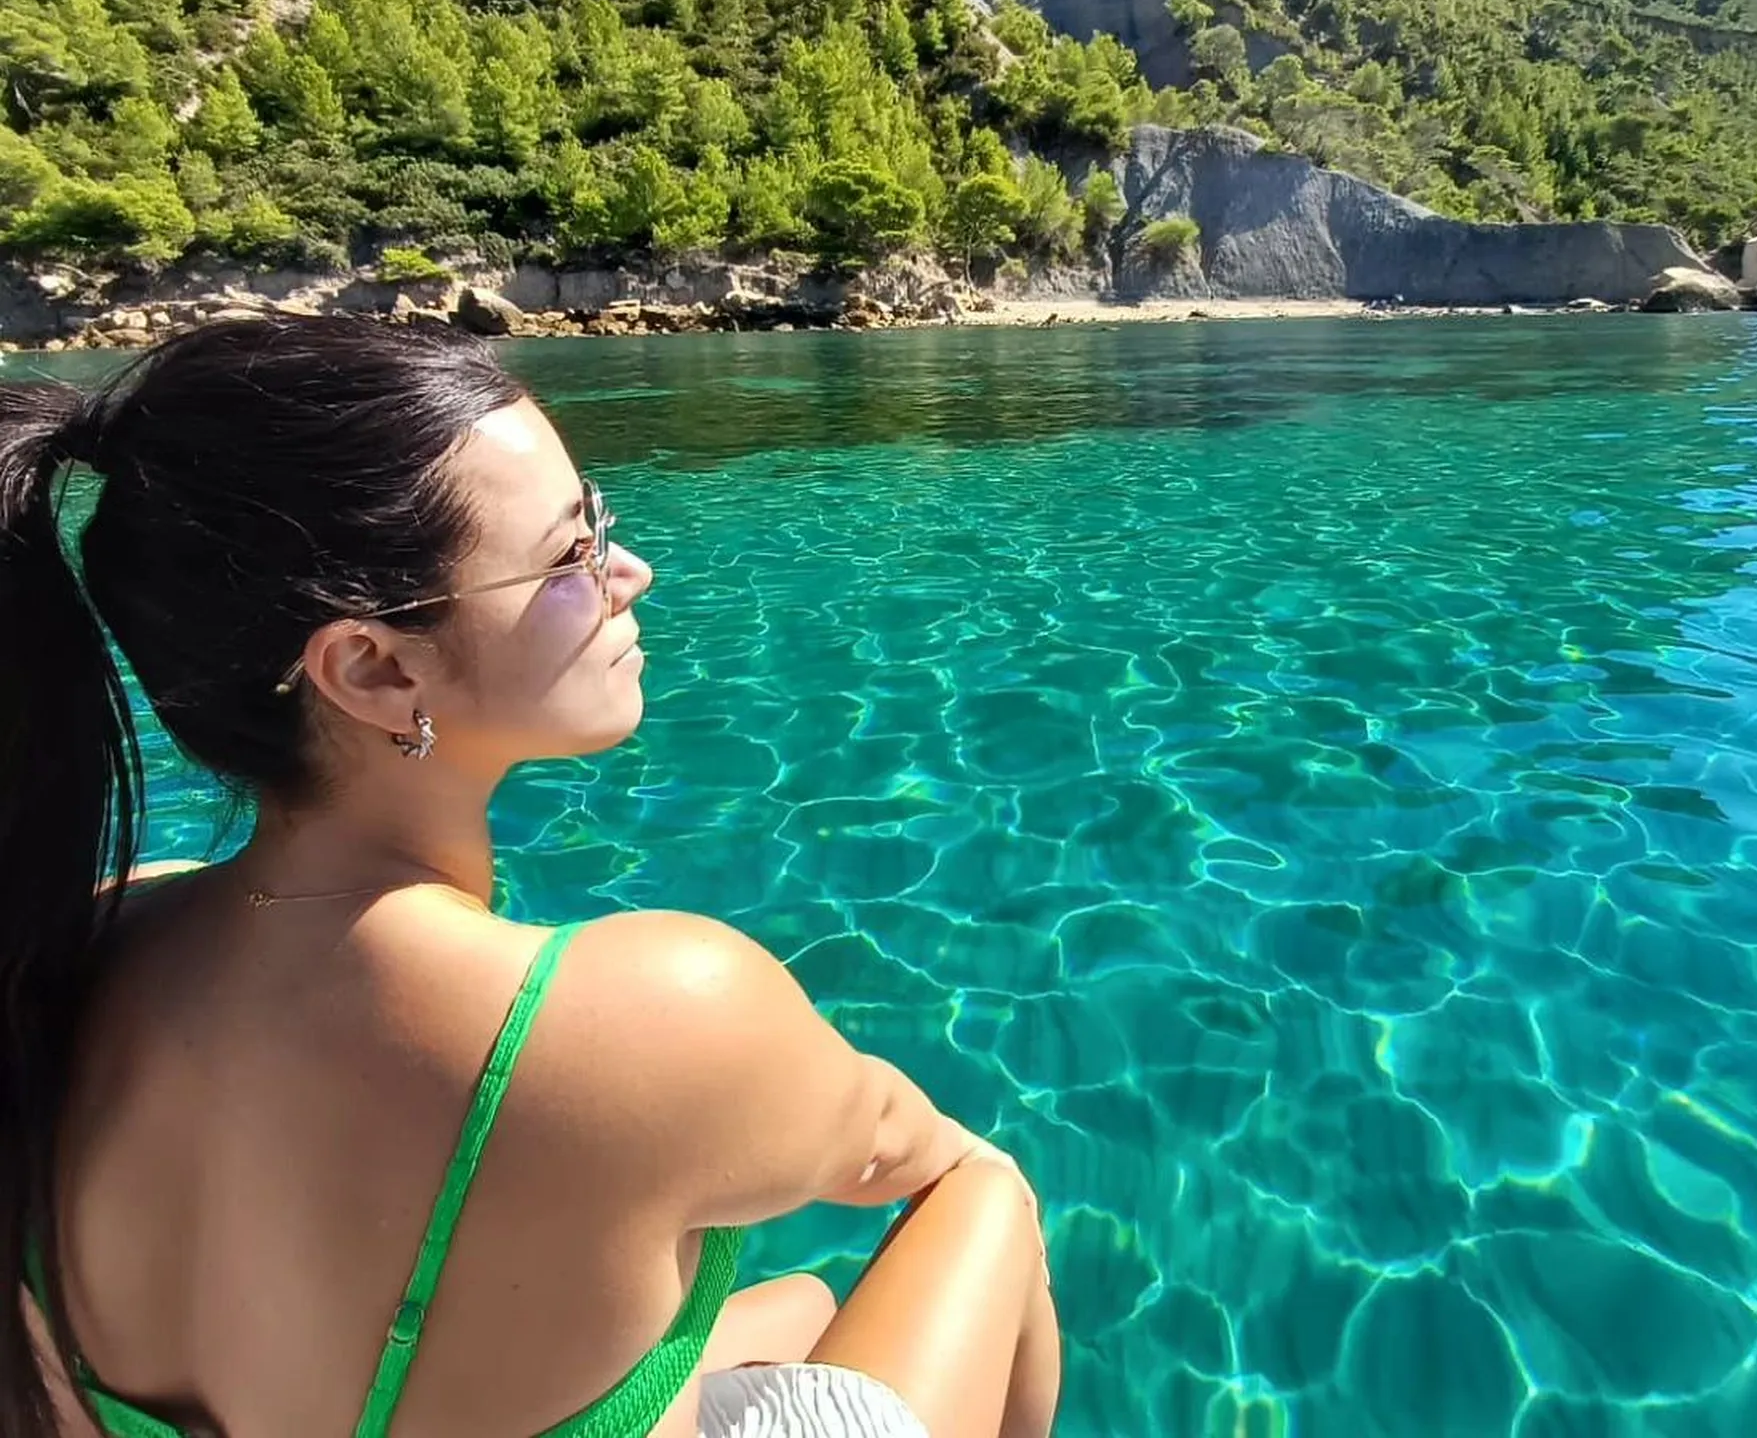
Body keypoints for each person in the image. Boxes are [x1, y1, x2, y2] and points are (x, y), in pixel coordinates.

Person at [0, 316, 1060, 1438]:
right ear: (373, 666)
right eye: (569, 556)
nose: (631, 573)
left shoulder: (74, 951)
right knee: (987, 1194)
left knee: (799, 1306)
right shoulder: (654, 1012)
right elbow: (919, 1151)